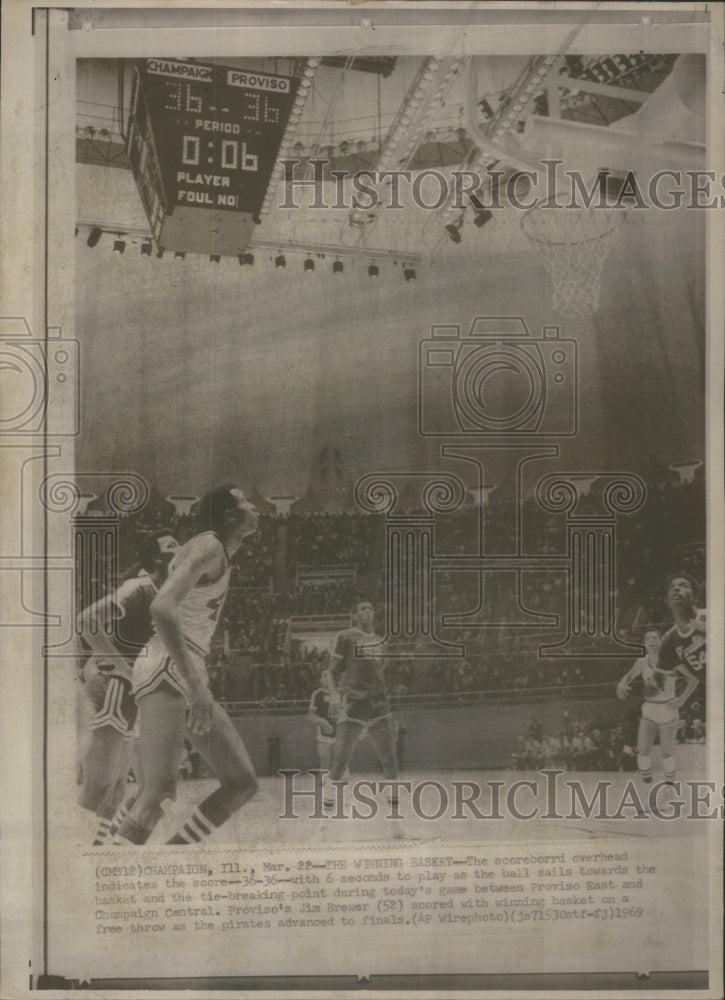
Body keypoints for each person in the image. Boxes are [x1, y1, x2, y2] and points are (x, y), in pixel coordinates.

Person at [115, 485, 260, 846]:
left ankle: (173, 858)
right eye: (246, 501)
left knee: (242, 783)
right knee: (157, 793)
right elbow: (162, 608)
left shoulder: (215, 549)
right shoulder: (208, 545)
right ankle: (109, 873)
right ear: (230, 517)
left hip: (179, 665)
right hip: (170, 664)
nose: (255, 507)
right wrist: (196, 686)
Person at [77, 530, 180, 844]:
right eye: (172, 546)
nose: (182, 549)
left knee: (118, 792)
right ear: (155, 559)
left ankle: (98, 850)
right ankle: (76, 860)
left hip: (131, 692)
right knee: (99, 789)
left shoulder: (172, 598)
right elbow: (87, 622)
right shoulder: (140, 587)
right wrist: (126, 669)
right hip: (112, 683)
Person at [326, 600, 402, 829]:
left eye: (371, 608)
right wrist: (335, 696)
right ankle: (324, 823)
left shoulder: (381, 641)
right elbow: (330, 672)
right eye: (362, 609)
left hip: (379, 707)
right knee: (339, 764)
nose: (368, 611)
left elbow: (380, 671)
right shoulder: (345, 636)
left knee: (390, 762)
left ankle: (396, 821)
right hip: (353, 707)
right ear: (354, 615)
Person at [616, 625, 699, 785]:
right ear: (645, 643)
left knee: (666, 754)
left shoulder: (672, 660)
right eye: (648, 638)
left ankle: (669, 792)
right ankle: (649, 792)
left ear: (661, 641)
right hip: (649, 709)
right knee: (643, 753)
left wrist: (682, 699)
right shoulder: (641, 662)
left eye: (654, 638)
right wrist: (621, 684)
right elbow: (628, 676)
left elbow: (694, 678)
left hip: (667, 710)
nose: (651, 641)